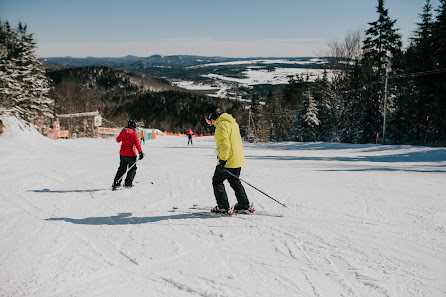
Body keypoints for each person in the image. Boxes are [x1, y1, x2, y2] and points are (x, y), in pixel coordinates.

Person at [205, 106, 250, 214]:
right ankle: (243, 204)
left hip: (228, 160)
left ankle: (223, 206)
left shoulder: (221, 125)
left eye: (208, 120)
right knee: (234, 180)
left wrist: (222, 161)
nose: (209, 123)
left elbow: (225, 145)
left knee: (217, 181)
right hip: (237, 159)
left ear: (212, 117)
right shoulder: (233, 123)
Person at [112, 118, 144, 190]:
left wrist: (121, 136)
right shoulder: (133, 133)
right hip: (131, 154)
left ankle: (116, 183)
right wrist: (140, 152)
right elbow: (137, 144)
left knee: (122, 168)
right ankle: (128, 184)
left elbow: (118, 140)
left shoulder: (123, 131)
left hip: (122, 154)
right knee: (132, 169)